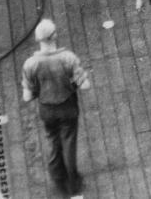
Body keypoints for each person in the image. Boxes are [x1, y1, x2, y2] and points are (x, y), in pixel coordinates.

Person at [21, 19, 90, 195]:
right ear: (55, 36)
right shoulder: (68, 58)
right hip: (67, 107)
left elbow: (27, 97)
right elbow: (85, 85)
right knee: (69, 143)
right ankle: (73, 183)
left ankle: (57, 178)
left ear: (38, 39)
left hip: (47, 110)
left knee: (53, 141)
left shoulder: (30, 64)